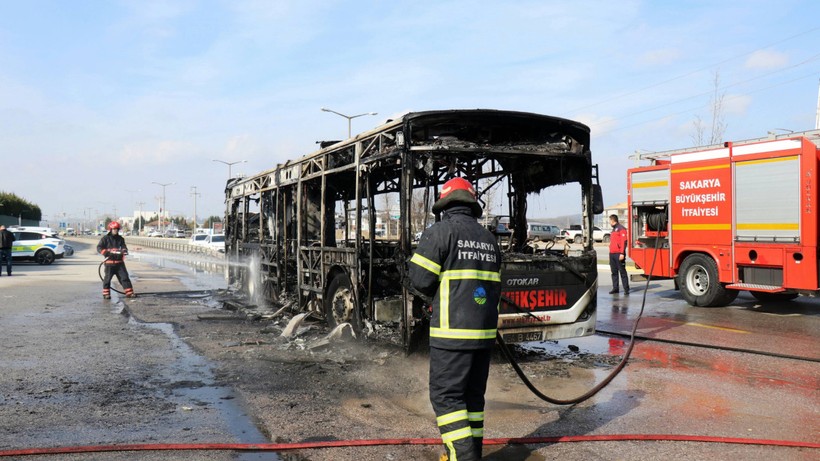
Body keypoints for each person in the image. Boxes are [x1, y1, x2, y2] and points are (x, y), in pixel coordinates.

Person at [408, 177, 502, 461]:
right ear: (473, 204)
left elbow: (420, 281)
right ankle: (472, 452)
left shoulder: (440, 232)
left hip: (452, 334)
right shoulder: (489, 238)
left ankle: (463, 457)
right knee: (472, 401)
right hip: (483, 336)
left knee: (447, 398)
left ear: (444, 204)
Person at [97, 221, 135, 299]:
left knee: (124, 278)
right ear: (110, 229)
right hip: (109, 263)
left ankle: (129, 293)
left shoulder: (120, 239)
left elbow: (124, 247)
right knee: (107, 279)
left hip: (119, 263)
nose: (115, 230)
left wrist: (124, 251)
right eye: (114, 229)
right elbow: (99, 248)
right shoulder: (105, 239)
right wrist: (107, 253)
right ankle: (106, 294)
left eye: (117, 229)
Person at [608, 214, 629, 295]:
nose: (609, 222)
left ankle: (626, 289)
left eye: (610, 220)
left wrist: (622, 253)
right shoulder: (613, 230)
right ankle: (615, 288)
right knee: (614, 272)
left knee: (622, 272)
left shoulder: (621, 229)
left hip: (619, 254)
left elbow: (624, 242)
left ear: (613, 221)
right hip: (612, 254)